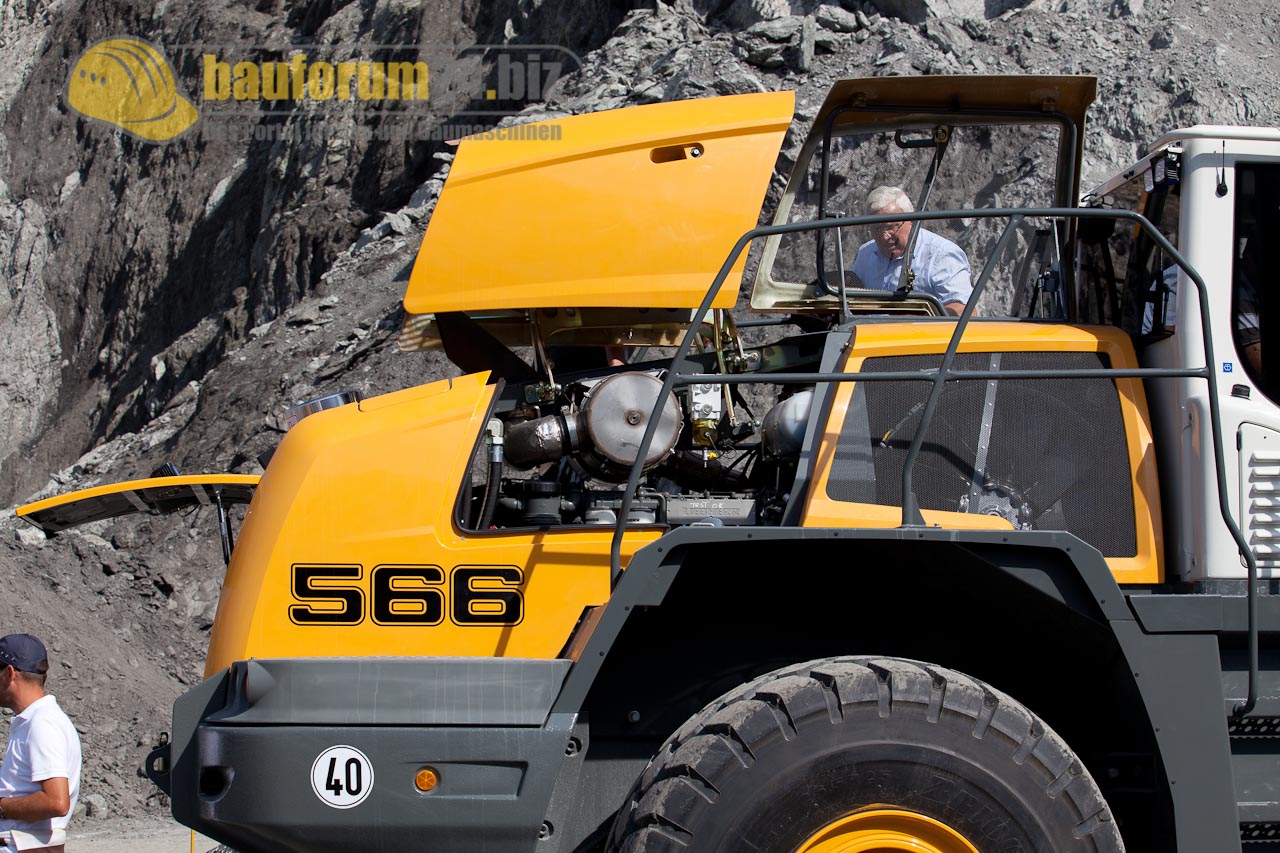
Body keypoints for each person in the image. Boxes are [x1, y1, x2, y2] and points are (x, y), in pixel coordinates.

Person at [0, 634, 80, 853]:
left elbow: (56, 802)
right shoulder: (37, 721)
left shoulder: (42, 724)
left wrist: (2, 806)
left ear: (9, 673)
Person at [846, 185, 974, 316]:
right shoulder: (865, 253)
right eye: (876, 229)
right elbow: (850, 297)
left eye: (890, 227)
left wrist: (915, 319)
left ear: (910, 221)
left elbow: (963, 311)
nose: (884, 236)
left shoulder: (942, 255)